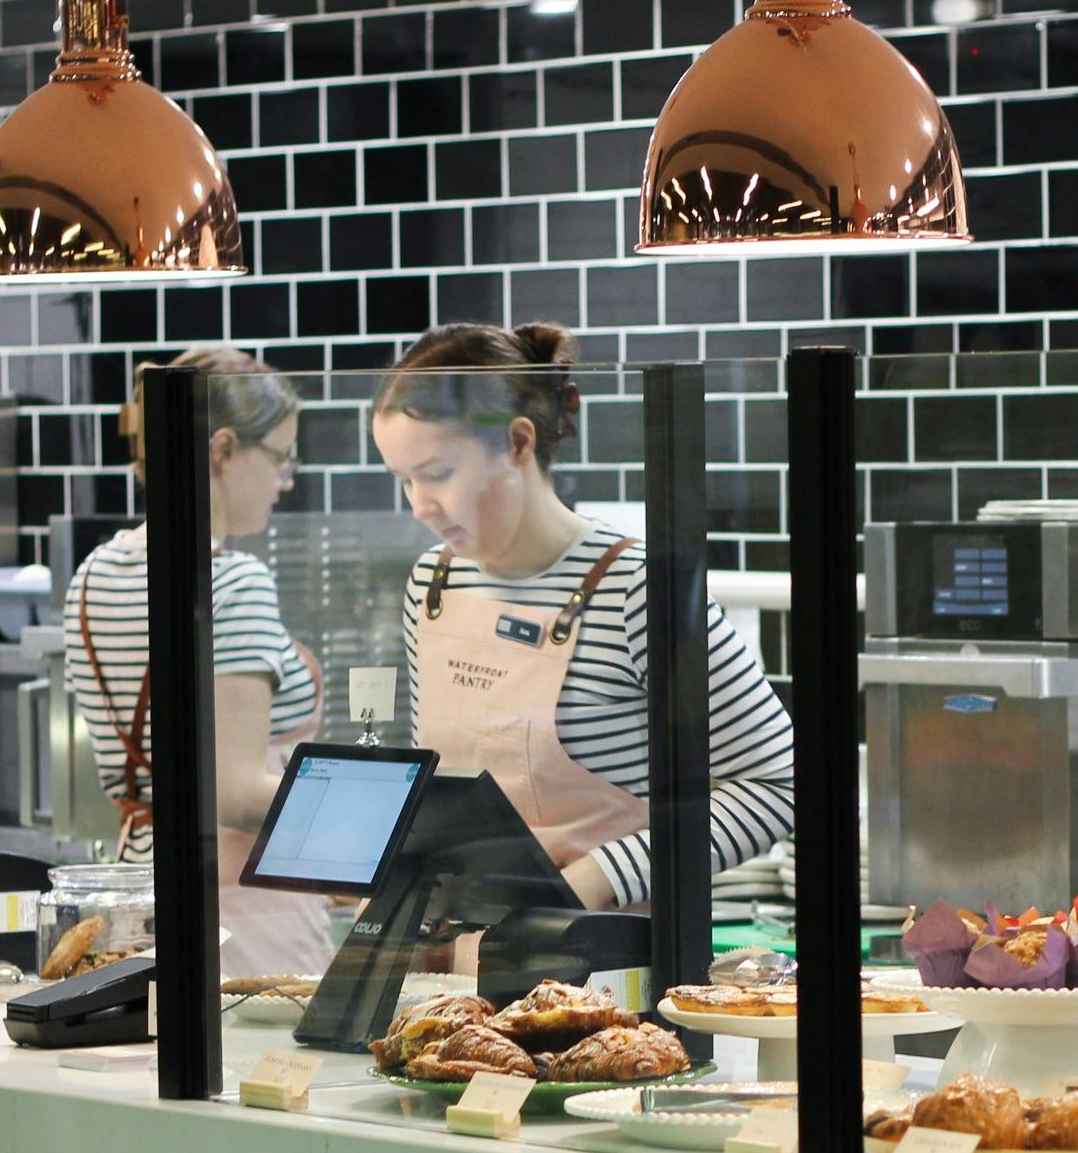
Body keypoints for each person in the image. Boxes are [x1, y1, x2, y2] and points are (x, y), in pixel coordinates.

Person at [372, 322, 795, 914]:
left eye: (438, 474)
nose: (420, 505)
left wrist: (593, 880)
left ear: (518, 443)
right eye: (404, 480)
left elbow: (778, 785)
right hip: (459, 958)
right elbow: (440, 790)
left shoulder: (638, 588)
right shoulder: (433, 583)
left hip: (608, 967)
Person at [66, 346, 328, 975]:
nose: (286, 479)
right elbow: (233, 792)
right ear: (223, 449)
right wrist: (370, 824)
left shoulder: (92, 573)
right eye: (281, 457)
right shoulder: (232, 580)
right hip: (249, 908)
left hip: (136, 890)